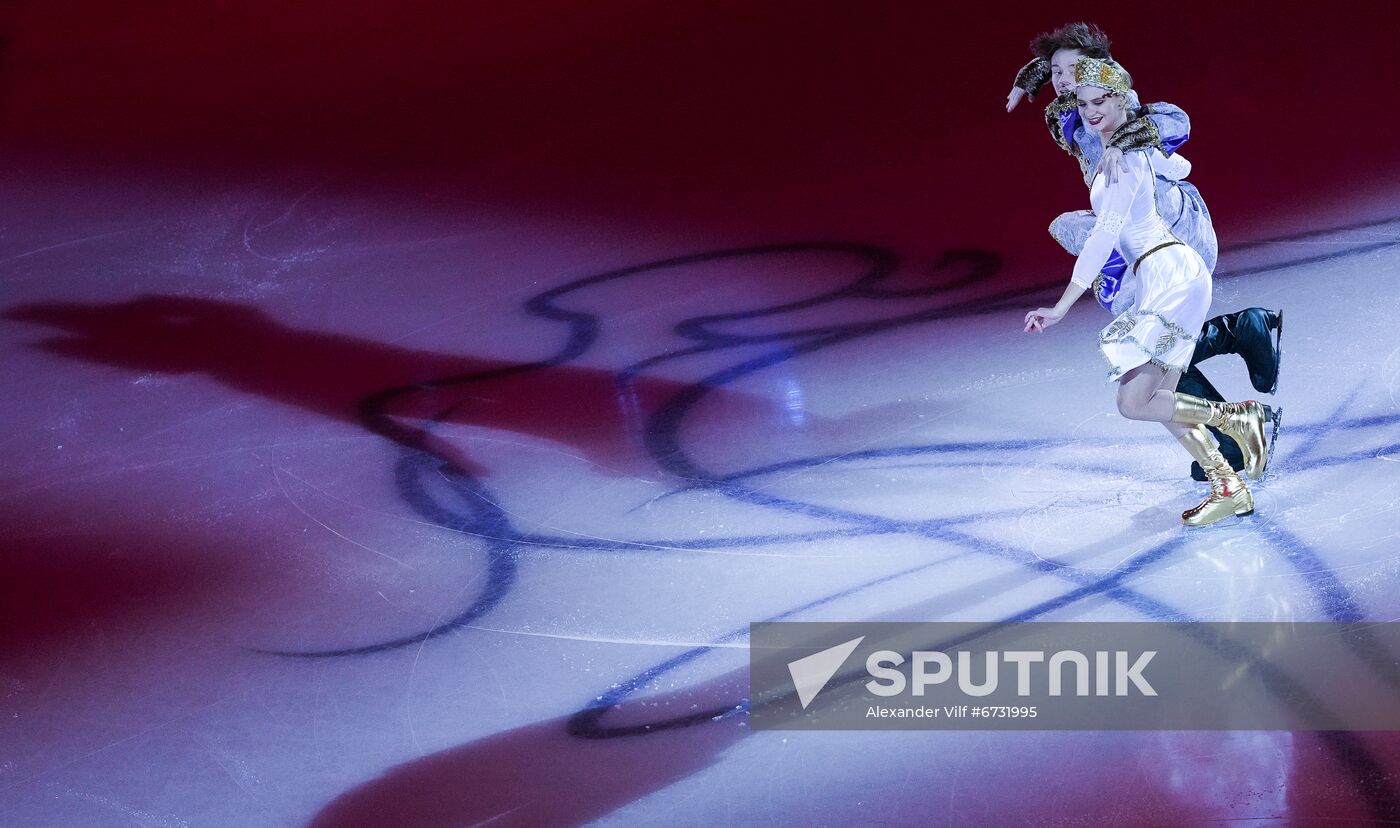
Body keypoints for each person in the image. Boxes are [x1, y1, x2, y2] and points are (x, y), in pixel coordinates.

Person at [1007, 22, 1282, 482]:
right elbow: (1061, 74)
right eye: (1057, 71)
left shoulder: (1119, 104)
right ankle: (1236, 373)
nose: (1063, 78)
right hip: (1133, 238)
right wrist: (1031, 76)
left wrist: (1127, 141)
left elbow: (1172, 125)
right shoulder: (1074, 107)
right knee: (1159, 352)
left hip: (1165, 225)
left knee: (1155, 354)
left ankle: (1234, 431)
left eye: (1072, 68)